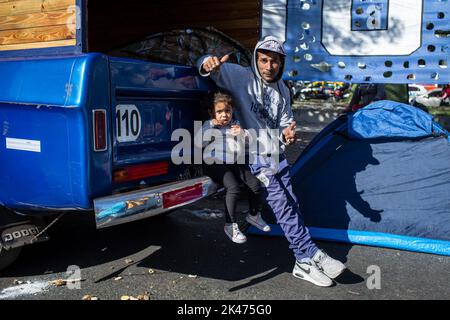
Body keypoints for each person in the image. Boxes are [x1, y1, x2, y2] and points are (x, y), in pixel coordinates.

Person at [197, 36, 346, 287]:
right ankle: (306, 257)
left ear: (281, 63)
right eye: (263, 60)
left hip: (277, 154)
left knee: (292, 203)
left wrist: (288, 132)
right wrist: (206, 62)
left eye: (274, 61)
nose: (268, 66)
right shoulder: (240, 77)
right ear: (256, 60)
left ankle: (309, 255)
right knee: (282, 206)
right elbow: (205, 67)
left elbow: (285, 122)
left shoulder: (284, 90)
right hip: (255, 156)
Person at [195, 92, 272, 244]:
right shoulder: (209, 125)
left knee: (256, 185)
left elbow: (247, 145)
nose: (224, 115)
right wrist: (211, 127)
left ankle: (254, 215)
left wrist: (243, 134)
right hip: (214, 163)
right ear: (212, 113)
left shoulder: (236, 124)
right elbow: (198, 143)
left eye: (227, 111)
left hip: (233, 162)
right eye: (219, 111)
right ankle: (230, 224)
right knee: (234, 187)